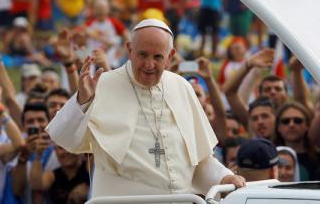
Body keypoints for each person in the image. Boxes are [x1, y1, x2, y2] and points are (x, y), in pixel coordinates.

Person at [47, 18, 245, 198]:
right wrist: (83, 101)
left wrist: (224, 177)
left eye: (158, 57)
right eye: (142, 54)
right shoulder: (103, 84)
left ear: (170, 56)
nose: (149, 64)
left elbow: (199, 161)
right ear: (129, 49)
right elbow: (63, 139)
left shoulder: (181, 87)